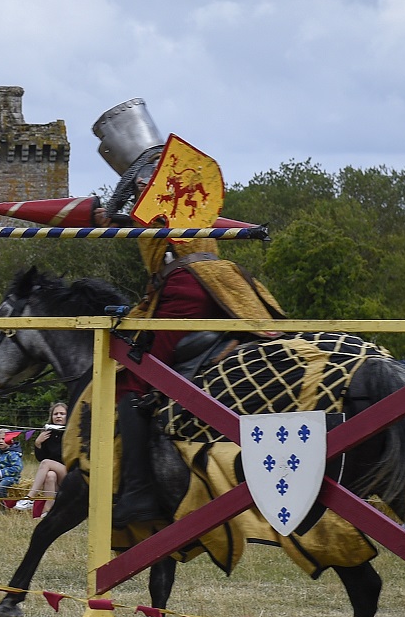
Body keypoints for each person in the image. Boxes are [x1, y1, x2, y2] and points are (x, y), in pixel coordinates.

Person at [91, 98, 286, 526]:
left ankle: (140, 492)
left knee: (136, 380)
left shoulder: (151, 186)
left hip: (183, 287)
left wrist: (104, 215)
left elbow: (130, 221)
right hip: (224, 280)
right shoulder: (182, 181)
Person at [15, 401, 68, 510]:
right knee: (50, 475)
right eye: (55, 414)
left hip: (70, 474)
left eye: (62, 414)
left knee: (46, 463)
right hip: (56, 475)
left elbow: (47, 462)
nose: (58, 416)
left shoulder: (72, 433)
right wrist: (38, 443)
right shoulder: (48, 433)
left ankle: (30, 497)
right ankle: (47, 511)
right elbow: (41, 459)